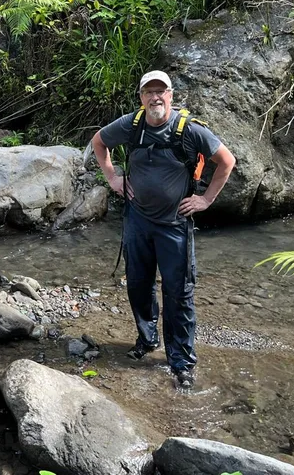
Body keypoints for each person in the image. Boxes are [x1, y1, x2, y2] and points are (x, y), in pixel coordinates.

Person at [91, 70, 235, 389]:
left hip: (174, 226)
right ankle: (147, 340)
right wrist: (113, 178)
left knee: (178, 294)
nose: (155, 97)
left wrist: (206, 199)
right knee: (139, 286)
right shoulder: (131, 124)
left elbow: (226, 161)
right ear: (141, 98)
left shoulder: (189, 130)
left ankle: (181, 362)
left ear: (171, 95)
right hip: (137, 221)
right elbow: (99, 142)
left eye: (161, 92)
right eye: (148, 92)